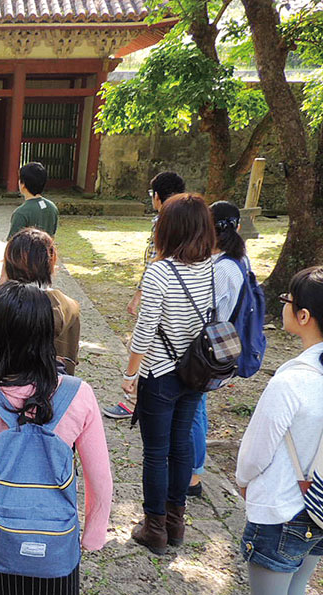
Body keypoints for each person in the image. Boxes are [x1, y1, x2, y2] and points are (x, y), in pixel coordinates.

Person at [0, 282, 112, 595]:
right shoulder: (78, 395)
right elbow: (99, 477)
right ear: (48, 336)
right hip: (56, 533)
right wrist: (94, 531)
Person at [236, 266, 323, 595]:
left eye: (287, 300)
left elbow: (255, 452)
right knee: (295, 591)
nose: (284, 305)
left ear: (304, 315)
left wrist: (243, 481)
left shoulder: (291, 381)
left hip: (282, 510)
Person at [120, 193, 216, 555]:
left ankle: (154, 526)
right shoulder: (211, 267)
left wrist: (131, 372)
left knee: (156, 452)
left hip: (160, 372)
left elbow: (145, 329)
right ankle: (177, 522)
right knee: (180, 446)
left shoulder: (161, 270)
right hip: (195, 370)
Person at [104, 171, 186, 420]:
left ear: (158, 197)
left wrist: (139, 295)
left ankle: (132, 399)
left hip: (161, 291)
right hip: (184, 297)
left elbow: (154, 260)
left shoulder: (162, 221)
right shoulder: (191, 221)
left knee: (143, 344)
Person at [186, 201, 249, 497]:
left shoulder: (223, 269)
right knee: (197, 408)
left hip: (208, 349)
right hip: (216, 346)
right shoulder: (236, 260)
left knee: (194, 410)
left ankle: (194, 477)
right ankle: (193, 470)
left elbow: (208, 311)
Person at [0, 227, 81, 374]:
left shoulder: (3, 305)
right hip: (56, 389)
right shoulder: (70, 306)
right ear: (51, 261)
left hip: (5, 391)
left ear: (10, 264)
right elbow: (70, 354)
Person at [7, 162, 58, 239]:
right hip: (47, 249)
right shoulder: (52, 207)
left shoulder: (21, 212)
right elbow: (52, 235)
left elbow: (13, 243)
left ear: (23, 184)